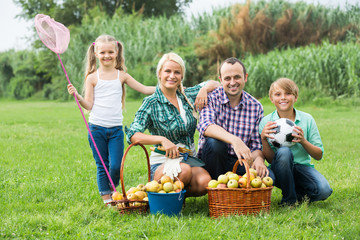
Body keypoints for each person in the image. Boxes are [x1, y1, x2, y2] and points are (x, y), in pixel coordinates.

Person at [67, 34, 156, 204]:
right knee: (102, 165)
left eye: (110, 52)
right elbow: (89, 105)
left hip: (115, 130)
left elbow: (144, 89)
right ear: (96, 53)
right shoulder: (92, 77)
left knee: (115, 166)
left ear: (116, 52)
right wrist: (77, 96)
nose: (106, 55)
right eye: (102, 52)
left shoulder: (121, 75)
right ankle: (107, 198)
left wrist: (165, 87)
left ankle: (112, 188)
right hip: (96, 128)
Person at [125, 52, 221, 197]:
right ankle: (162, 197)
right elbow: (132, 135)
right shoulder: (151, 102)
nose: (172, 76)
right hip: (163, 162)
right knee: (185, 171)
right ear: (159, 74)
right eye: (167, 71)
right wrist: (162, 139)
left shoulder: (187, 95)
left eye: (177, 72)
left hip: (188, 158)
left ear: (182, 76)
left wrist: (204, 90)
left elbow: (215, 83)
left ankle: (173, 194)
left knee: (204, 182)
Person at [259, 77, 332, 205]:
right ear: (271, 99)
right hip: (279, 168)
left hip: (301, 168)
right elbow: (270, 160)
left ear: (295, 97)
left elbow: (318, 155)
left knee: (324, 191)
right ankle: (289, 201)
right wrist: (263, 139)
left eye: (288, 93)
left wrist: (303, 141)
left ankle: (294, 192)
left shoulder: (307, 119)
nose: (283, 97)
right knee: (284, 152)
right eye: (278, 94)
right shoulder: (266, 122)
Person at [197, 57, 269, 179]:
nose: (232, 82)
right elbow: (205, 126)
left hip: (240, 162)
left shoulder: (255, 106)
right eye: (227, 78)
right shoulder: (211, 98)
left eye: (237, 77)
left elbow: (256, 146)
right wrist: (235, 141)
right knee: (215, 143)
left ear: (245, 77)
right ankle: (218, 189)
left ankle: (235, 186)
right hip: (213, 160)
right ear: (220, 80)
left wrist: (259, 159)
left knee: (269, 176)